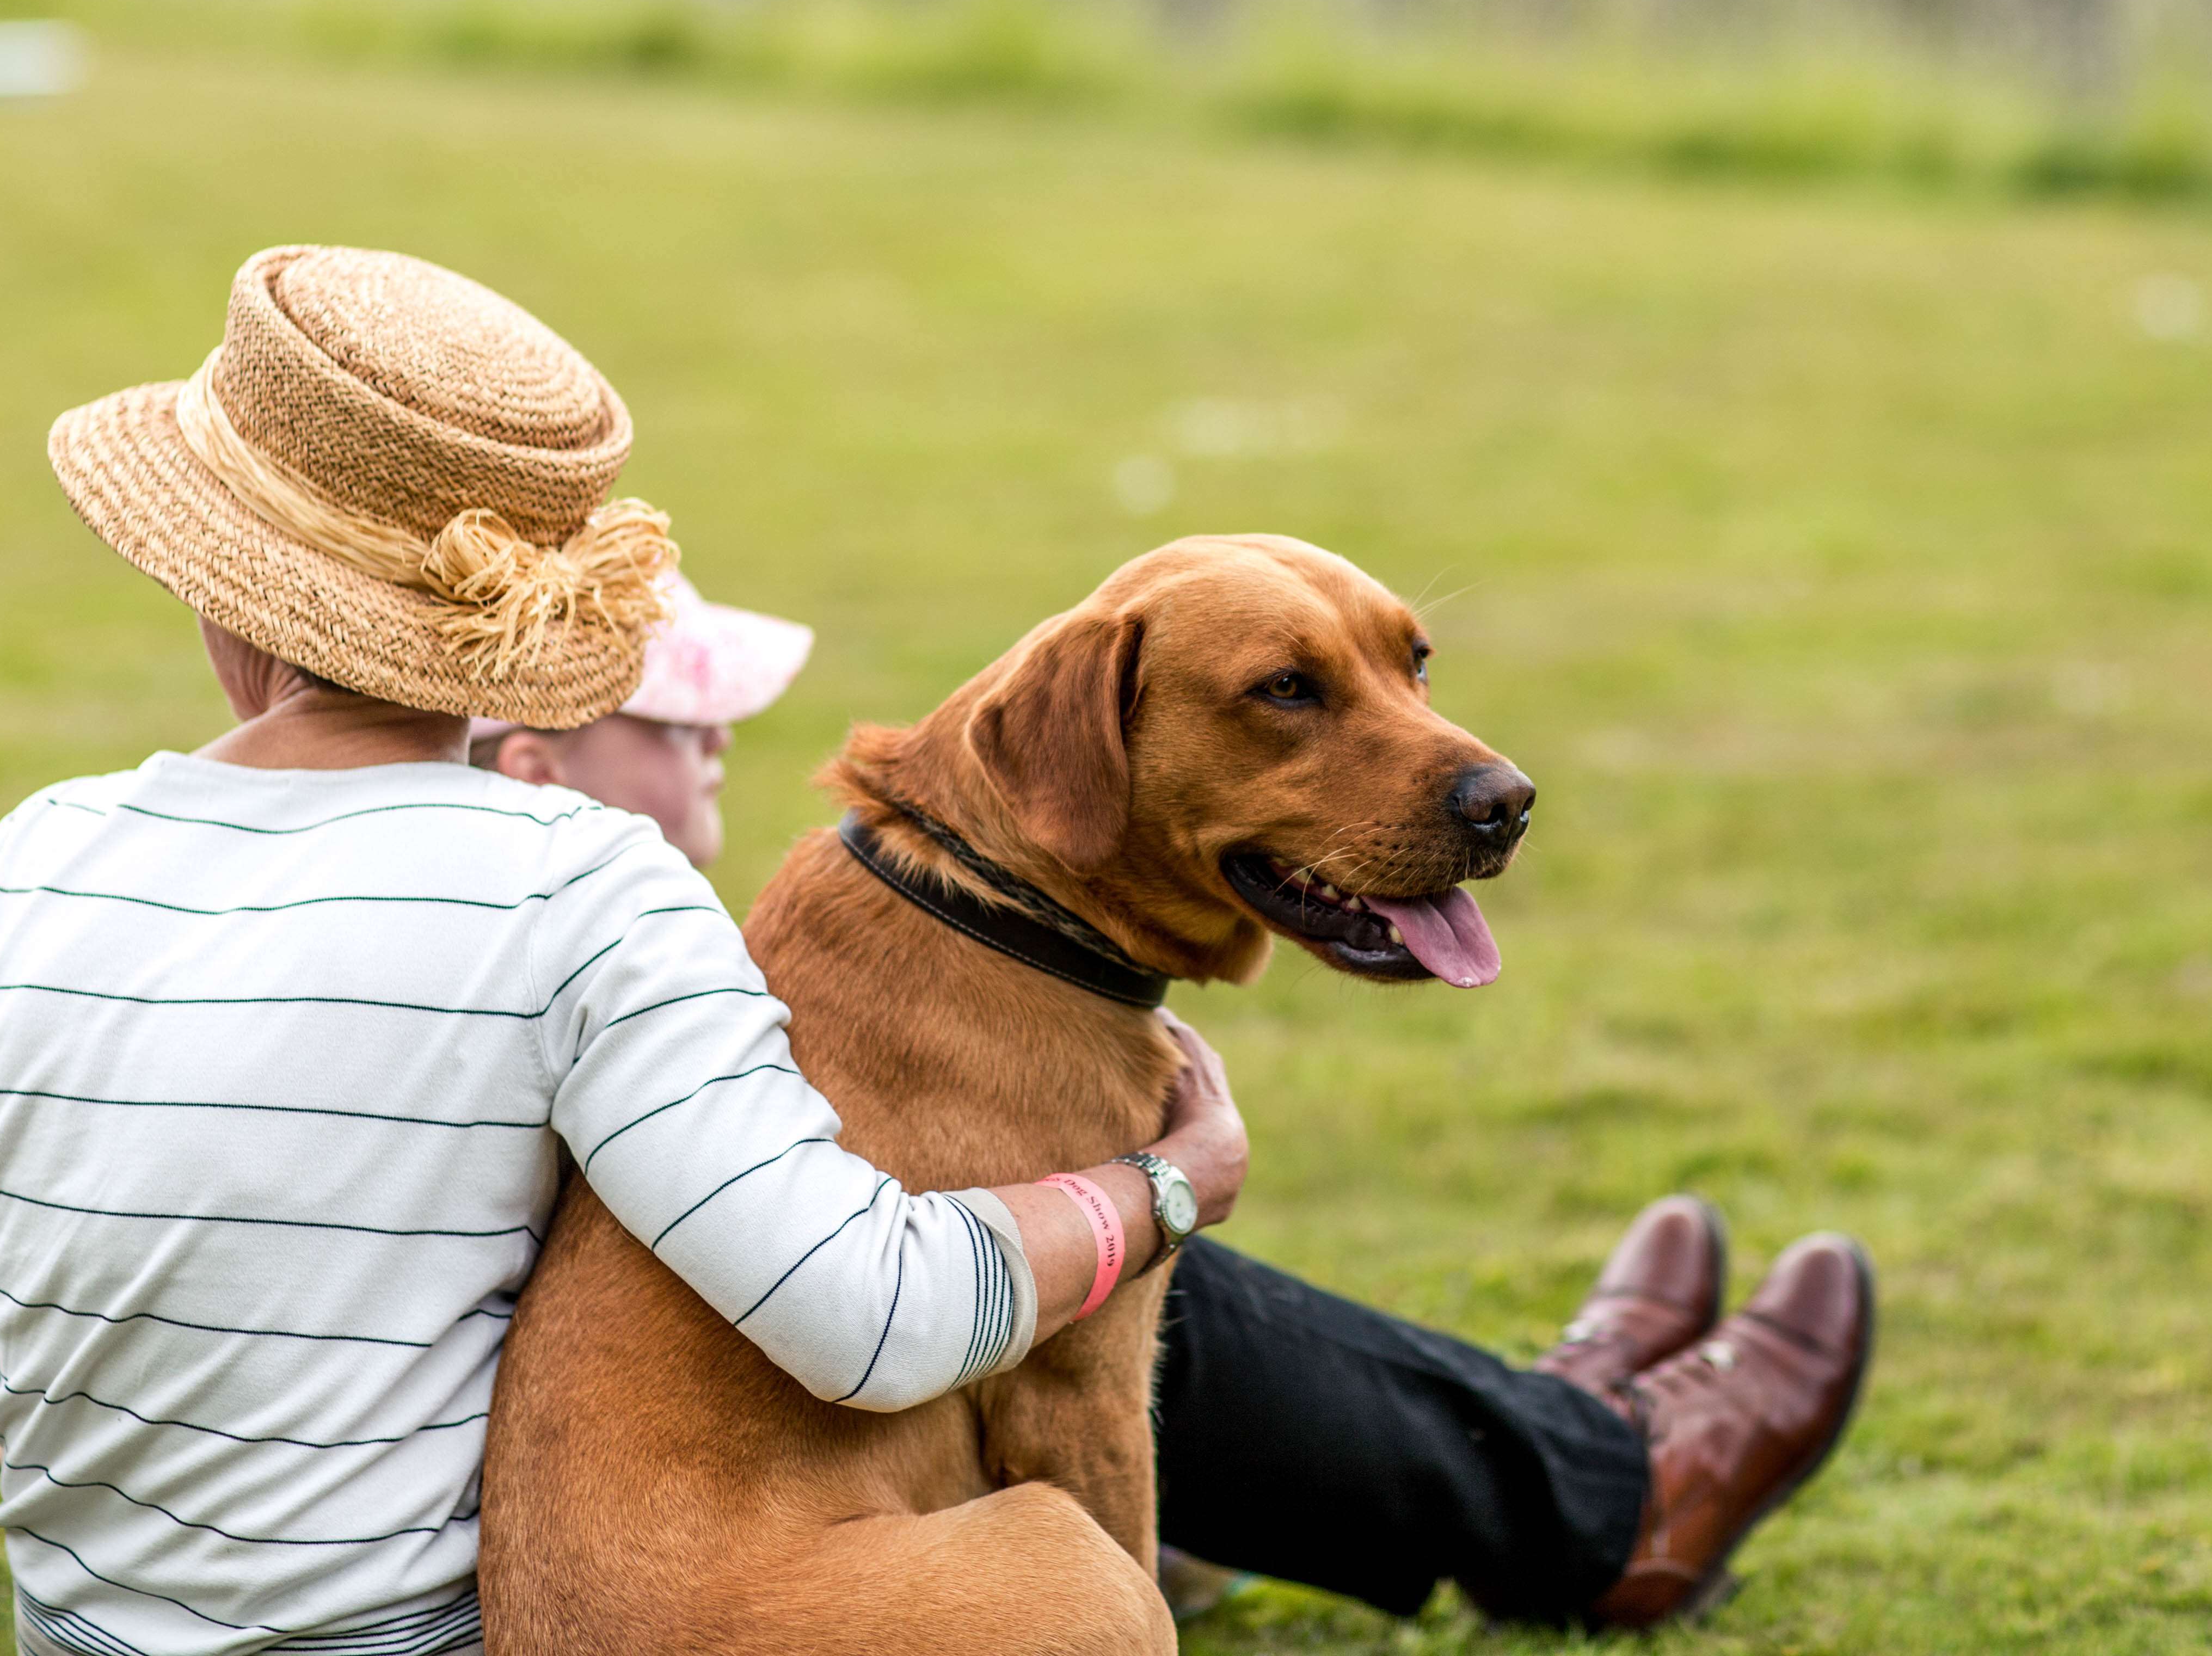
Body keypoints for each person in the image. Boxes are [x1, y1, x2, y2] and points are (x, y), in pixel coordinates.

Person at [0, 245, 1246, 1656]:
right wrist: (1162, 1188)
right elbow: (868, 1322)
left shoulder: (23, 856)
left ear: (218, 584)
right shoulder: (581, 888)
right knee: (1058, 1574)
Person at [479, 575, 1877, 1630]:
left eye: (1409, 664)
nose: (1476, 774)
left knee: (1107, 1270)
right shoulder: (807, 982)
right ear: (1067, 755)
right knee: (1095, 1313)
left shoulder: (877, 933)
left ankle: (1552, 1441)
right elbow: (1060, 1427)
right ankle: (1600, 1478)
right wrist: (1160, 1190)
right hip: (754, 1603)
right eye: (1291, 695)